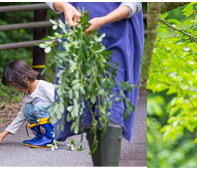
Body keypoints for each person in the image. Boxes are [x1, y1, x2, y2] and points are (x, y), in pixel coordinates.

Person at [46, 2, 143, 166]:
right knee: (88, 104)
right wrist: (65, 6)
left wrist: (103, 20)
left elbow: (134, 3)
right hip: (78, 36)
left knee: (113, 103)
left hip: (117, 35)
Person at [0, 60, 56, 148]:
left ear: (25, 77)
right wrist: (5, 132)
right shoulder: (27, 96)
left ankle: (50, 138)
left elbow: (60, 102)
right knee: (27, 109)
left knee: (39, 106)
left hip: (58, 122)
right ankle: (41, 136)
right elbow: (21, 115)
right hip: (48, 121)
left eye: (16, 85)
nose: (16, 89)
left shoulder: (43, 86)